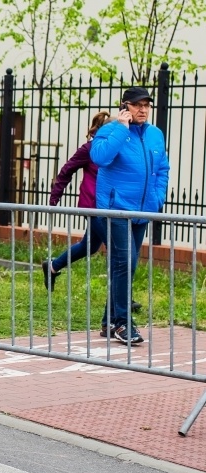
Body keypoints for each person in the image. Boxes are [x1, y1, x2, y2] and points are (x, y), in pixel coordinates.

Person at [90, 86, 170, 345]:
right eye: (137, 105)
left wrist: (157, 198)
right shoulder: (110, 131)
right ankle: (123, 323)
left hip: (142, 211)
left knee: (128, 264)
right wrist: (121, 129)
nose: (143, 109)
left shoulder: (156, 134)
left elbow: (163, 168)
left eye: (146, 105)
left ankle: (109, 320)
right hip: (115, 210)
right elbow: (99, 157)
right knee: (124, 262)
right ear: (124, 106)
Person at [42, 111, 110, 291]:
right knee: (117, 248)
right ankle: (122, 298)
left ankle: (52, 266)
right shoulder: (89, 149)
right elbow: (66, 170)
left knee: (89, 246)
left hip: (109, 205)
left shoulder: (114, 150)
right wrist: (54, 198)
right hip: (93, 206)